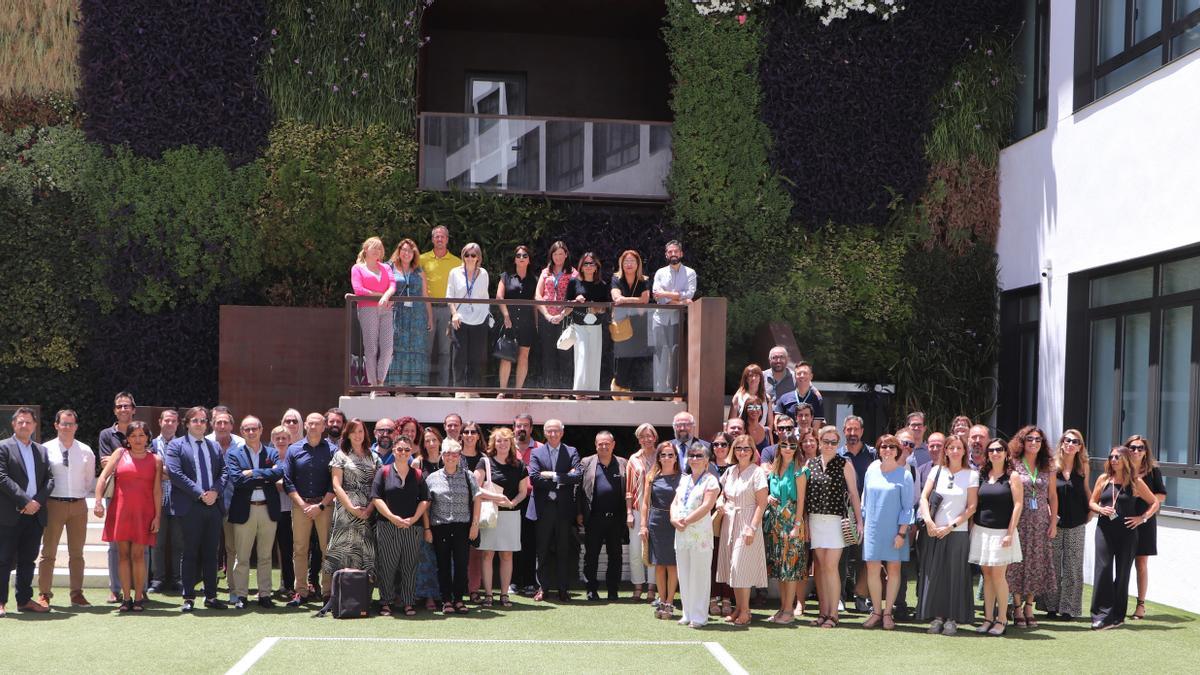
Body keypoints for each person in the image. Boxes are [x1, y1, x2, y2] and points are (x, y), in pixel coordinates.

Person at [94, 421, 161, 612]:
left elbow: (157, 491)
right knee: (122, 555)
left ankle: (139, 597)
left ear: (148, 437)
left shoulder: (156, 460)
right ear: (128, 439)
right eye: (133, 436)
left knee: (138, 555)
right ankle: (126, 598)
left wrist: (157, 517)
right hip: (120, 511)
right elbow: (103, 477)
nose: (138, 439)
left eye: (141, 435)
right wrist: (98, 501)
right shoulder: (119, 454)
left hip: (144, 513)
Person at [1088, 445, 1158, 630]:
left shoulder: (1135, 482)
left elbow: (1154, 502)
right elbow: (1092, 502)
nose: (1113, 460)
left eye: (1117, 457)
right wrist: (1100, 509)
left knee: (1123, 572)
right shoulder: (1103, 479)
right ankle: (1100, 614)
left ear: (1126, 460)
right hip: (1104, 530)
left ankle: (1117, 616)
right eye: (1111, 457)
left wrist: (1142, 518)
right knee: (1103, 569)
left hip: (1127, 533)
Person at [165, 406, 227, 612]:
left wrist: (215, 492)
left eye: (203, 420)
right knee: (190, 552)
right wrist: (201, 493)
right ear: (187, 423)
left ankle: (211, 596)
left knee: (212, 553)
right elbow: (175, 473)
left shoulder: (215, 447)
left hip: (213, 505)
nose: (199, 424)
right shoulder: (176, 446)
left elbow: (224, 472)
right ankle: (189, 597)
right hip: (190, 506)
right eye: (195, 421)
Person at [917, 436, 978, 635]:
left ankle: (952, 619)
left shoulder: (971, 475)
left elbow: (971, 507)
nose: (954, 451)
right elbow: (924, 498)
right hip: (934, 531)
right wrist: (928, 521)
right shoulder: (936, 471)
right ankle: (937, 617)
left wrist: (950, 526)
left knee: (955, 576)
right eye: (951, 447)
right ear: (946, 450)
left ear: (964, 450)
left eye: (958, 447)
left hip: (957, 532)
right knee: (936, 575)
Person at [36, 410, 96, 608]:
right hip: (53, 504)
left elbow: (88, 481)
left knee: (77, 553)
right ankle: (44, 594)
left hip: (78, 506)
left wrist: (78, 496)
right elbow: (41, 478)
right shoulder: (45, 449)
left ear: (76, 426)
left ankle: (76, 593)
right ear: (56, 425)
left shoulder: (86, 451)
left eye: (71, 424)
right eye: (64, 423)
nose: (67, 427)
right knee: (48, 552)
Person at [804, 425, 861, 628]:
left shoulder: (844, 464)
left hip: (837, 520)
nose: (829, 445)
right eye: (826, 441)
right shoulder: (810, 464)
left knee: (830, 566)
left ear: (838, 444)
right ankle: (822, 612)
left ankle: (833, 614)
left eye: (833, 442)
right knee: (819, 567)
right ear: (819, 442)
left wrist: (859, 521)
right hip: (815, 520)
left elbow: (854, 494)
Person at [225, 416, 283, 609]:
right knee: (242, 557)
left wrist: (251, 472)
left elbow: (279, 472)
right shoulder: (234, 454)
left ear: (261, 430)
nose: (251, 432)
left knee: (265, 556)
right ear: (242, 432)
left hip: (267, 509)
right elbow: (237, 480)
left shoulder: (272, 452)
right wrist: (265, 474)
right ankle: (241, 595)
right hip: (245, 509)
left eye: (254, 429)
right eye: (247, 429)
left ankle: (265, 595)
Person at [0, 407, 53, 616]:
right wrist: (25, 500)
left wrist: (36, 502)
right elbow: (1, 477)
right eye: (20, 422)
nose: (24, 425)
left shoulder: (41, 450)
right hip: (10, 514)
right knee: (3, 559)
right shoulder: (3, 447)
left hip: (35, 515)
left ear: (34, 425)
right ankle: (1, 602)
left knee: (27, 560)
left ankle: (23, 600)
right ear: (14, 424)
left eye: (28, 422)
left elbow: (50, 479)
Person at [370, 436, 430, 616]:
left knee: (410, 566)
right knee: (387, 566)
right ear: (394, 451)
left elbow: (425, 499)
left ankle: (408, 602)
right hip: (388, 526)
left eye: (406, 450)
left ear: (411, 452)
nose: (403, 453)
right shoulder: (384, 471)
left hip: (413, 527)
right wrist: (391, 517)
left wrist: (414, 519)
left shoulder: (418, 474)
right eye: (399, 449)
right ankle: (386, 601)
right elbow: (376, 497)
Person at [970, 438, 1023, 636]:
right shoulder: (982, 475)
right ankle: (987, 618)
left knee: (999, 577)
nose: (995, 453)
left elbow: (1018, 505)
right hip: (982, 532)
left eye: (999, 449)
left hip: (1003, 533)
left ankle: (1002, 619)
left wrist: (1010, 533)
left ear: (1006, 453)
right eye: (991, 450)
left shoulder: (1013, 476)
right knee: (988, 576)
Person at [860, 434, 913, 630]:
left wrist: (901, 533)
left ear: (898, 450)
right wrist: (862, 524)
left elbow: (908, 507)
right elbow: (864, 500)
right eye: (883, 446)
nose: (887, 450)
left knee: (894, 570)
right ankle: (876, 612)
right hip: (873, 528)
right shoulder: (871, 470)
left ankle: (888, 613)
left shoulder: (905, 474)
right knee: (872, 570)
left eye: (891, 447)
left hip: (895, 531)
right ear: (879, 450)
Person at [1006, 425, 1057, 629]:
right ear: (1022, 441)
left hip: (1040, 521)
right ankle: (1016, 607)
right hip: (1019, 519)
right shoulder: (1013, 463)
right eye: (1030, 439)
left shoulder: (1048, 466)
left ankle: (1029, 607)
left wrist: (1053, 522)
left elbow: (1052, 496)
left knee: (1036, 564)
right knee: (1016, 563)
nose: (1034, 442)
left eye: (1038, 439)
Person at [282, 413, 335, 607]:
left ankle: (328, 593)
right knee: (300, 550)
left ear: (323, 427)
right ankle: (301, 591)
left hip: (325, 506)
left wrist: (320, 505)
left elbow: (335, 482)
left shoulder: (332, 450)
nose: (313, 426)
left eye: (317, 424)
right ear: (305, 426)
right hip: (301, 507)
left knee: (327, 550)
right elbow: (288, 481)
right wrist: (303, 505)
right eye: (310, 423)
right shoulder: (294, 450)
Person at [715, 435, 768, 626]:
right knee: (732, 567)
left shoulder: (757, 472)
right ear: (734, 451)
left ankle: (746, 610)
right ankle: (738, 608)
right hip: (730, 521)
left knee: (740, 566)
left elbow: (762, 504)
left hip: (747, 521)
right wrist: (720, 502)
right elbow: (723, 494)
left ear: (753, 451)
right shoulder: (730, 471)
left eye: (746, 448)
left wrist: (752, 528)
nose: (742, 452)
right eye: (739, 448)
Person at [527, 419, 582, 601]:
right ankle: (543, 588)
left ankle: (563, 589)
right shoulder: (536, 452)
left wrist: (553, 475)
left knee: (563, 550)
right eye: (549, 431)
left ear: (562, 432)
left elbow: (578, 476)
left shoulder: (572, 451)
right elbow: (534, 478)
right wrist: (565, 477)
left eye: (556, 431)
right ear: (544, 432)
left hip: (564, 509)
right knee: (541, 550)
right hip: (543, 509)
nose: (553, 434)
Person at [1039, 429, 1090, 621]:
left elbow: (1086, 490)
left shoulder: (1083, 466)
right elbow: (1046, 494)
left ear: (1079, 447)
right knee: (1052, 565)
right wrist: (1050, 514)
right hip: (1055, 523)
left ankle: (1069, 608)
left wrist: (1091, 512)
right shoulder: (1052, 466)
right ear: (1061, 443)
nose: (1070, 444)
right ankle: (1050, 606)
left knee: (1073, 566)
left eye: (1075, 441)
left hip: (1077, 522)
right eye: (1067, 440)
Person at [426, 439, 481, 614]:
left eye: (454, 454)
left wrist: (475, 525)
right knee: (442, 565)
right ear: (442, 456)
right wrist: (427, 529)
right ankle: (446, 600)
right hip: (440, 526)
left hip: (462, 527)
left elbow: (477, 499)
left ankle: (458, 600)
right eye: (447, 454)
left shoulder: (468, 475)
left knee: (461, 564)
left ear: (459, 456)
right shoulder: (432, 478)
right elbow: (426, 506)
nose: (450, 457)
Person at [323, 419, 380, 589]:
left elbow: (377, 486)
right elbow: (336, 485)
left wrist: (369, 508)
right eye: (353, 431)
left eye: (361, 431)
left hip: (368, 512)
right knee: (345, 551)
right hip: (346, 512)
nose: (357, 435)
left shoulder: (374, 456)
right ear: (347, 434)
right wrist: (351, 509)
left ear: (365, 434)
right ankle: (342, 597)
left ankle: (363, 598)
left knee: (365, 553)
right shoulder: (340, 455)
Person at [477, 427, 528, 607]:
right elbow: (475, 488)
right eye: (499, 440)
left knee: (507, 555)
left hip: (510, 515)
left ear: (511, 443)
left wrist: (512, 502)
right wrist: (496, 498)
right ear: (493, 443)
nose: (503, 444)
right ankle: (489, 595)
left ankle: (504, 594)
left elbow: (523, 491)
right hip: (490, 513)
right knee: (488, 554)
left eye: (506, 440)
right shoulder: (485, 462)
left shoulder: (520, 465)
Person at [673, 446, 721, 628]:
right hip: (681, 534)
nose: (694, 458)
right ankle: (687, 613)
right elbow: (675, 502)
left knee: (699, 575)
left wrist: (685, 521)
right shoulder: (684, 480)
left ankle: (699, 617)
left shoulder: (711, 481)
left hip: (700, 535)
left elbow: (707, 506)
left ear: (707, 460)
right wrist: (673, 518)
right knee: (684, 574)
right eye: (691, 455)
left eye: (699, 455)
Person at [764, 433, 809, 625]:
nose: (788, 449)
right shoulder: (774, 469)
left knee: (790, 569)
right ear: (779, 447)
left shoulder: (799, 470)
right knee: (780, 569)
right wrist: (768, 498)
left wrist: (797, 526)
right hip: (776, 522)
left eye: (792, 445)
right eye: (784, 445)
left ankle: (789, 611)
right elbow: (770, 492)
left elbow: (801, 501)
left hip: (791, 522)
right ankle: (782, 607)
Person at [97, 391, 137, 604]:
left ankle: (140, 588)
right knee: (115, 544)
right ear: (115, 410)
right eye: (119, 406)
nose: (123, 409)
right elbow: (105, 465)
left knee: (140, 544)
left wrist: (117, 461)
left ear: (133, 409)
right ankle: (115, 588)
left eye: (127, 406)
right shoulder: (106, 434)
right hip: (115, 494)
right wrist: (131, 461)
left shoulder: (140, 430)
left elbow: (143, 459)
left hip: (140, 494)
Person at [578, 431, 627, 601]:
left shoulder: (623, 463)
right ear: (595, 444)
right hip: (594, 518)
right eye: (600, 444)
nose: (604, 446)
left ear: (613, 444)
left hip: (616, 518)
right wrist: (579, 512)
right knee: (591, 555)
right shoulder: (586, 463)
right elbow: (578, 490)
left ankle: (613, 589)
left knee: (616, 556)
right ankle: (591, 589)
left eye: (607, 443)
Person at [382, 237, 432, 388]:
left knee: (415, 348)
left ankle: (412, 386)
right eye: (404, 250)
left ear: (414, 254)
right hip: (397, 314)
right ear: (398, 251)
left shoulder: (419, 271)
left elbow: (425, 295)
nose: (407, 253)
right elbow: (383, 288)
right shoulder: (389, 268)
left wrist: (430, 317)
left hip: (417, 316)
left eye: (410, 251)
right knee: (397, 347)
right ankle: (397, 386)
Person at [1126, 434, 1166, 621]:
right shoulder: (1121, 467)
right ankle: (1118, 603)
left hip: (1145, 521)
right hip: (1123, 520)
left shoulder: (1153, 471)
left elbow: (1160, 496)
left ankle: (1140, 605)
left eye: (1140, 448)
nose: (1136, 451)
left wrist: (1145, 499)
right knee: (1122, 563)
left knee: (1141, 564)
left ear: (1145, 451)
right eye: (1132, 447)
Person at [419, 224, 462, 387]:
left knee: (445, 352)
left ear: (447, 239)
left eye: (442, 236)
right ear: (432, 239)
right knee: (426, 351)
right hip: (426, 309)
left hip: (447, 310)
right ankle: (423, 388)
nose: (439, 239)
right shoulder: (422, 259)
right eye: (436, 236)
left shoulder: (457, 262)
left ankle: (443, 388)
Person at [643, 441, 682, 620]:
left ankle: (669, 601)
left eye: (670, 454)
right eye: (663, 455)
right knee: (659, 564)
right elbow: (645, 503)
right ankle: (661, 598)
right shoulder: (652, 477)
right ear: (658, 457)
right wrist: (643, 526)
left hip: (675, 524)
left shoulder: (684, 478)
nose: (667, 458)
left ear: (676, 457)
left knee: (673, 564)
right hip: (656, 523)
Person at [351, 236, 396, 390]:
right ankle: (372, 384)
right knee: (371, 348)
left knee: (388, 347)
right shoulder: (357, 268)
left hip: (386, 308)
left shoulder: (386, 267)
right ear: (366, 249)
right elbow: (358, 290)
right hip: (367, 308)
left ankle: (381, 381)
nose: (377, 250)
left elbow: (392, 285)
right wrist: (379, 295)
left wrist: (386, 296)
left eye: (380, 248)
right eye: (374, 247)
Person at [651, 239, 696, 393]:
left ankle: (675, 389)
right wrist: (680, 300)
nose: (673, 254)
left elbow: (690, 294)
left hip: (679, 320)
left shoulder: (690, 273)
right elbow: (658, 297)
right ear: (666, 255)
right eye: (670, 252)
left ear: (681, 253)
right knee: (659, 354)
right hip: (660, 319)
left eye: (676, 251)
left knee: (677, 354)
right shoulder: (660, 272)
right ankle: (659, 390)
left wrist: (666, 295)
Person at [447, 242, 491, 392]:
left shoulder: (483, 273)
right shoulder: (454, 272)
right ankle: (459, 390)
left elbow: (484, 297)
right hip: (460, 318)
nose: (470, 258)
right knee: (459, 355)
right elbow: (450, 296)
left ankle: (473, 390)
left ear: (478, 257)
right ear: (463, 256)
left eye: (473, 255)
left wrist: (486, 316)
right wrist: (454, 314)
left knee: (476, 356)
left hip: (479, 319)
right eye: (467, 255)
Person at [535, 240, 577, 390]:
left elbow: (575, 299)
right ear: (551, 255)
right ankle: (548, 390)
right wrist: (547, 315)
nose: (558, 257)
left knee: (565, 355)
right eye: (555, 254)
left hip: (565, 319)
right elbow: (538, 296)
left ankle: (565, 391)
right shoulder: (545, 272)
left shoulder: (573, 273)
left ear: (566, 255)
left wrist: (561, 315)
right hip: (547, 318)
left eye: (561, 254)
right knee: (548, 356)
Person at [148, 409, 182, 595]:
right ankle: (157, 579)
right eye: (166, 420)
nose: (169, 423)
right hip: (156, 502)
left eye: (173, 421)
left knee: (179, 543)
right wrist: (170, 473)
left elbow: (184, 472)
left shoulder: (183, 445)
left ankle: (178, 579)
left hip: (178, 501)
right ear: (160, 422)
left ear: (178, 424)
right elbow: (150, 471)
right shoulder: (151, 445)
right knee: (157, 544)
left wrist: (166, 473)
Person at [610, 249, 653, 393]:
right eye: (626, 261)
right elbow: (616, 297)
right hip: (622, 323)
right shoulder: (616, 278)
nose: (629, 264)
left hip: (639, 323)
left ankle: (626, 389)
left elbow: (645, 300)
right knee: (623, 355)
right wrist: (636, 301)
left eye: (632, 261)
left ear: (638, 264)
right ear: (621, 263)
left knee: (636, 356)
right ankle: (619, 387)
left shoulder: (644, 280)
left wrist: (625, 300)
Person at [569, 252, 611, 396]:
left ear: (596, 267)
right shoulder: (574, 282)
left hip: (595, 325)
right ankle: (580, 392)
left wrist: (597, 308)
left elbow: (606, 307)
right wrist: (575, 301)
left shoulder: (602, 285)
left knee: (593, 357)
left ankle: (591, 393)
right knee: (582, 354)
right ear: (581, 266)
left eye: (591, 263)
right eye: (585, 263)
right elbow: (566, 304)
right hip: (579, 325)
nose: (588, 266)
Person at [496, 245, 536, 396]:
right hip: (509, 322)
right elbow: (499, 297)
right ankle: (502, 391)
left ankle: (518, 391)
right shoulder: (506, 276)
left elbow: (536, 301)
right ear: (514, 259)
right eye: (518, 255)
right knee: (506, 356)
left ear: (529, 260)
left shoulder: (534, 280)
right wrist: (506, 315)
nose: (521, 258)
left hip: (527, 323)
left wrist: (537, 324)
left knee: (523, 356)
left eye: (525, 256)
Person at [626, 423, 658, 604]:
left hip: (657, 510)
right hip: (638, 510)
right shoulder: (633, 459)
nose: (646, 439)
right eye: (643, 436)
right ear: (638, 439)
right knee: (636, 549)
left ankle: (652, 587)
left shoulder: (662, 455)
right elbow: (629, 489)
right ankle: (638, 586)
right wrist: (629, 512)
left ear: (655, 437)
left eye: (649, 435)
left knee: (654, 550)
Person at [414, 427, 444, 608]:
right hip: (424, 517)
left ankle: (443, 595)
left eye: (434, 439)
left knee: (444, 558)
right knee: (425, 558)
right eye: (427, 441)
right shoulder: (418, 464)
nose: (431, 444)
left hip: (446, 518)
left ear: (440, 441)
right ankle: (427, 596)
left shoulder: (449, 459)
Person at [708, 431, 735, 616]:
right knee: (712, 558)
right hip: (710, 517)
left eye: (723, 444)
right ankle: (712, 598)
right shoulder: (706, 465)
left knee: (728, 558)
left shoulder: (736, 467)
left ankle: (727, 598)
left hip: (732, 517)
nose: (719, 448)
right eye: (716, 444)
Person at [459, 420, 486, 602]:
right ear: (461, 435)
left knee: (475, 552)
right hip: (454, 509)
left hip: (476, 509)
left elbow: (478, 486)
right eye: (466, 432)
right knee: (456, 552)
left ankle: (474, 589)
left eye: (473, 432)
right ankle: (457, 587)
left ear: (478, 436)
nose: (469, 436)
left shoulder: (484, 459)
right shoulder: (453, 455)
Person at [270, 425, 296, 598]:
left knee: (286, 549)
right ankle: (265, 589)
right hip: (268, 509)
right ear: (272, 440)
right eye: (277, 438)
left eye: (284, 438)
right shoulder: (266, 457)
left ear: (290, 440)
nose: (280, 441)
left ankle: (288, 585)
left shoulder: (294, 457)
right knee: (265, 551)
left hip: (288, 510)